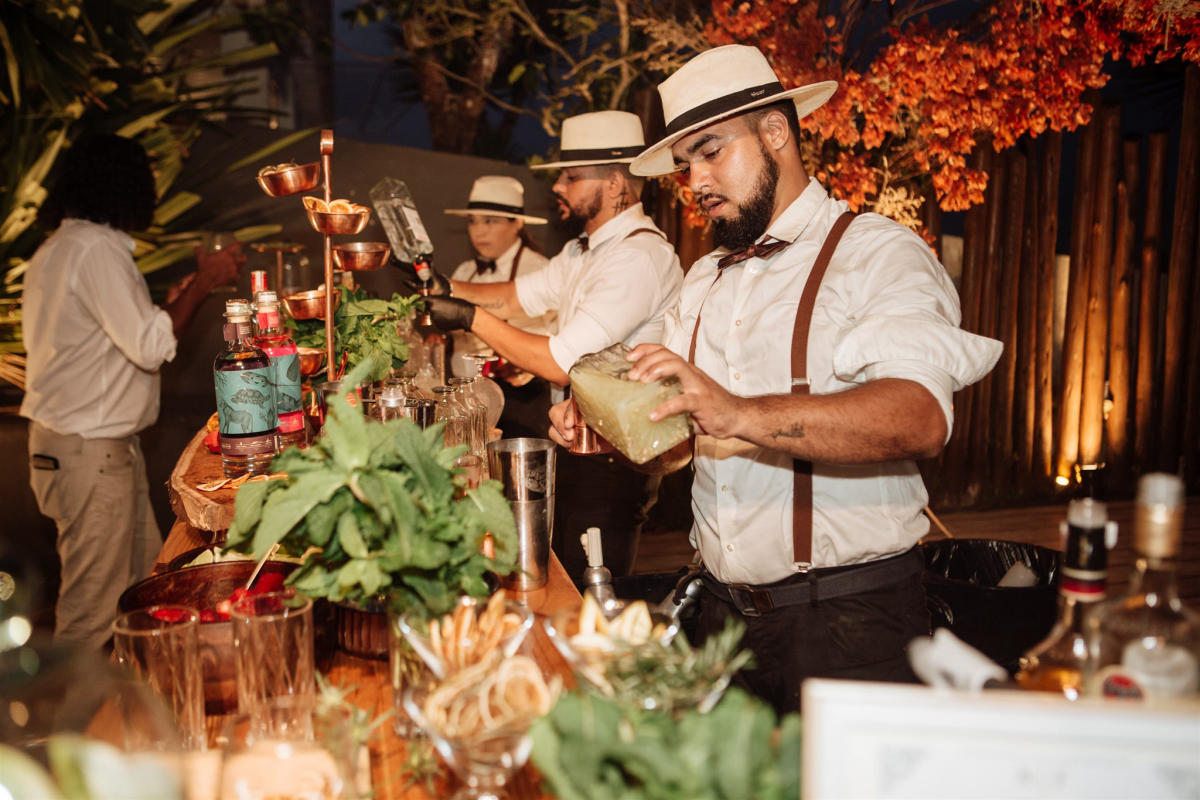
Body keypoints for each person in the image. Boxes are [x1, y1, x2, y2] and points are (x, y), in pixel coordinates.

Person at [549, 45, 1003, 714]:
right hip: (723, 624)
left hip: (854, 623)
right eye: (685, 166)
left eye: (711, 151)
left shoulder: (876, 253)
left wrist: (738, 412)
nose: (697, 182)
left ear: (776, 132)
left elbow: (919, 418)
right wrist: (612, 431)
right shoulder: (704, 280)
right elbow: (678, 442)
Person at [404, 111, 683, 581]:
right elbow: (515, 295)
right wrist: (441, 286)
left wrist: (471, 317)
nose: (559, 186)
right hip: (573, 441)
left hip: (614, 460)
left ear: (616, 184)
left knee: (588, 595)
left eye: (572, 177)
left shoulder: (638, 258)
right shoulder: (583, 250)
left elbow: (558, 362)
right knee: (550, 578)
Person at [20, 133, 242, 651]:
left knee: (141, 592)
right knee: (93, 614)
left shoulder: (59, 248)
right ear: (121, 185)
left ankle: (123, 717)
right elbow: (149, 345)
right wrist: (205, 281)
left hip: (79, 450)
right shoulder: (96, 249)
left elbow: (121, 335)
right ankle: (69, 727)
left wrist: (178, 299)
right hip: (91, 455)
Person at [444, 175, 556, 439]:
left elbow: (558, 337)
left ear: (517, 223)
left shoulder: (539, 270)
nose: (478, 231)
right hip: (465, 400)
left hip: (520, 401)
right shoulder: (465, 271)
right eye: (473, 222)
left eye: (489, 221)